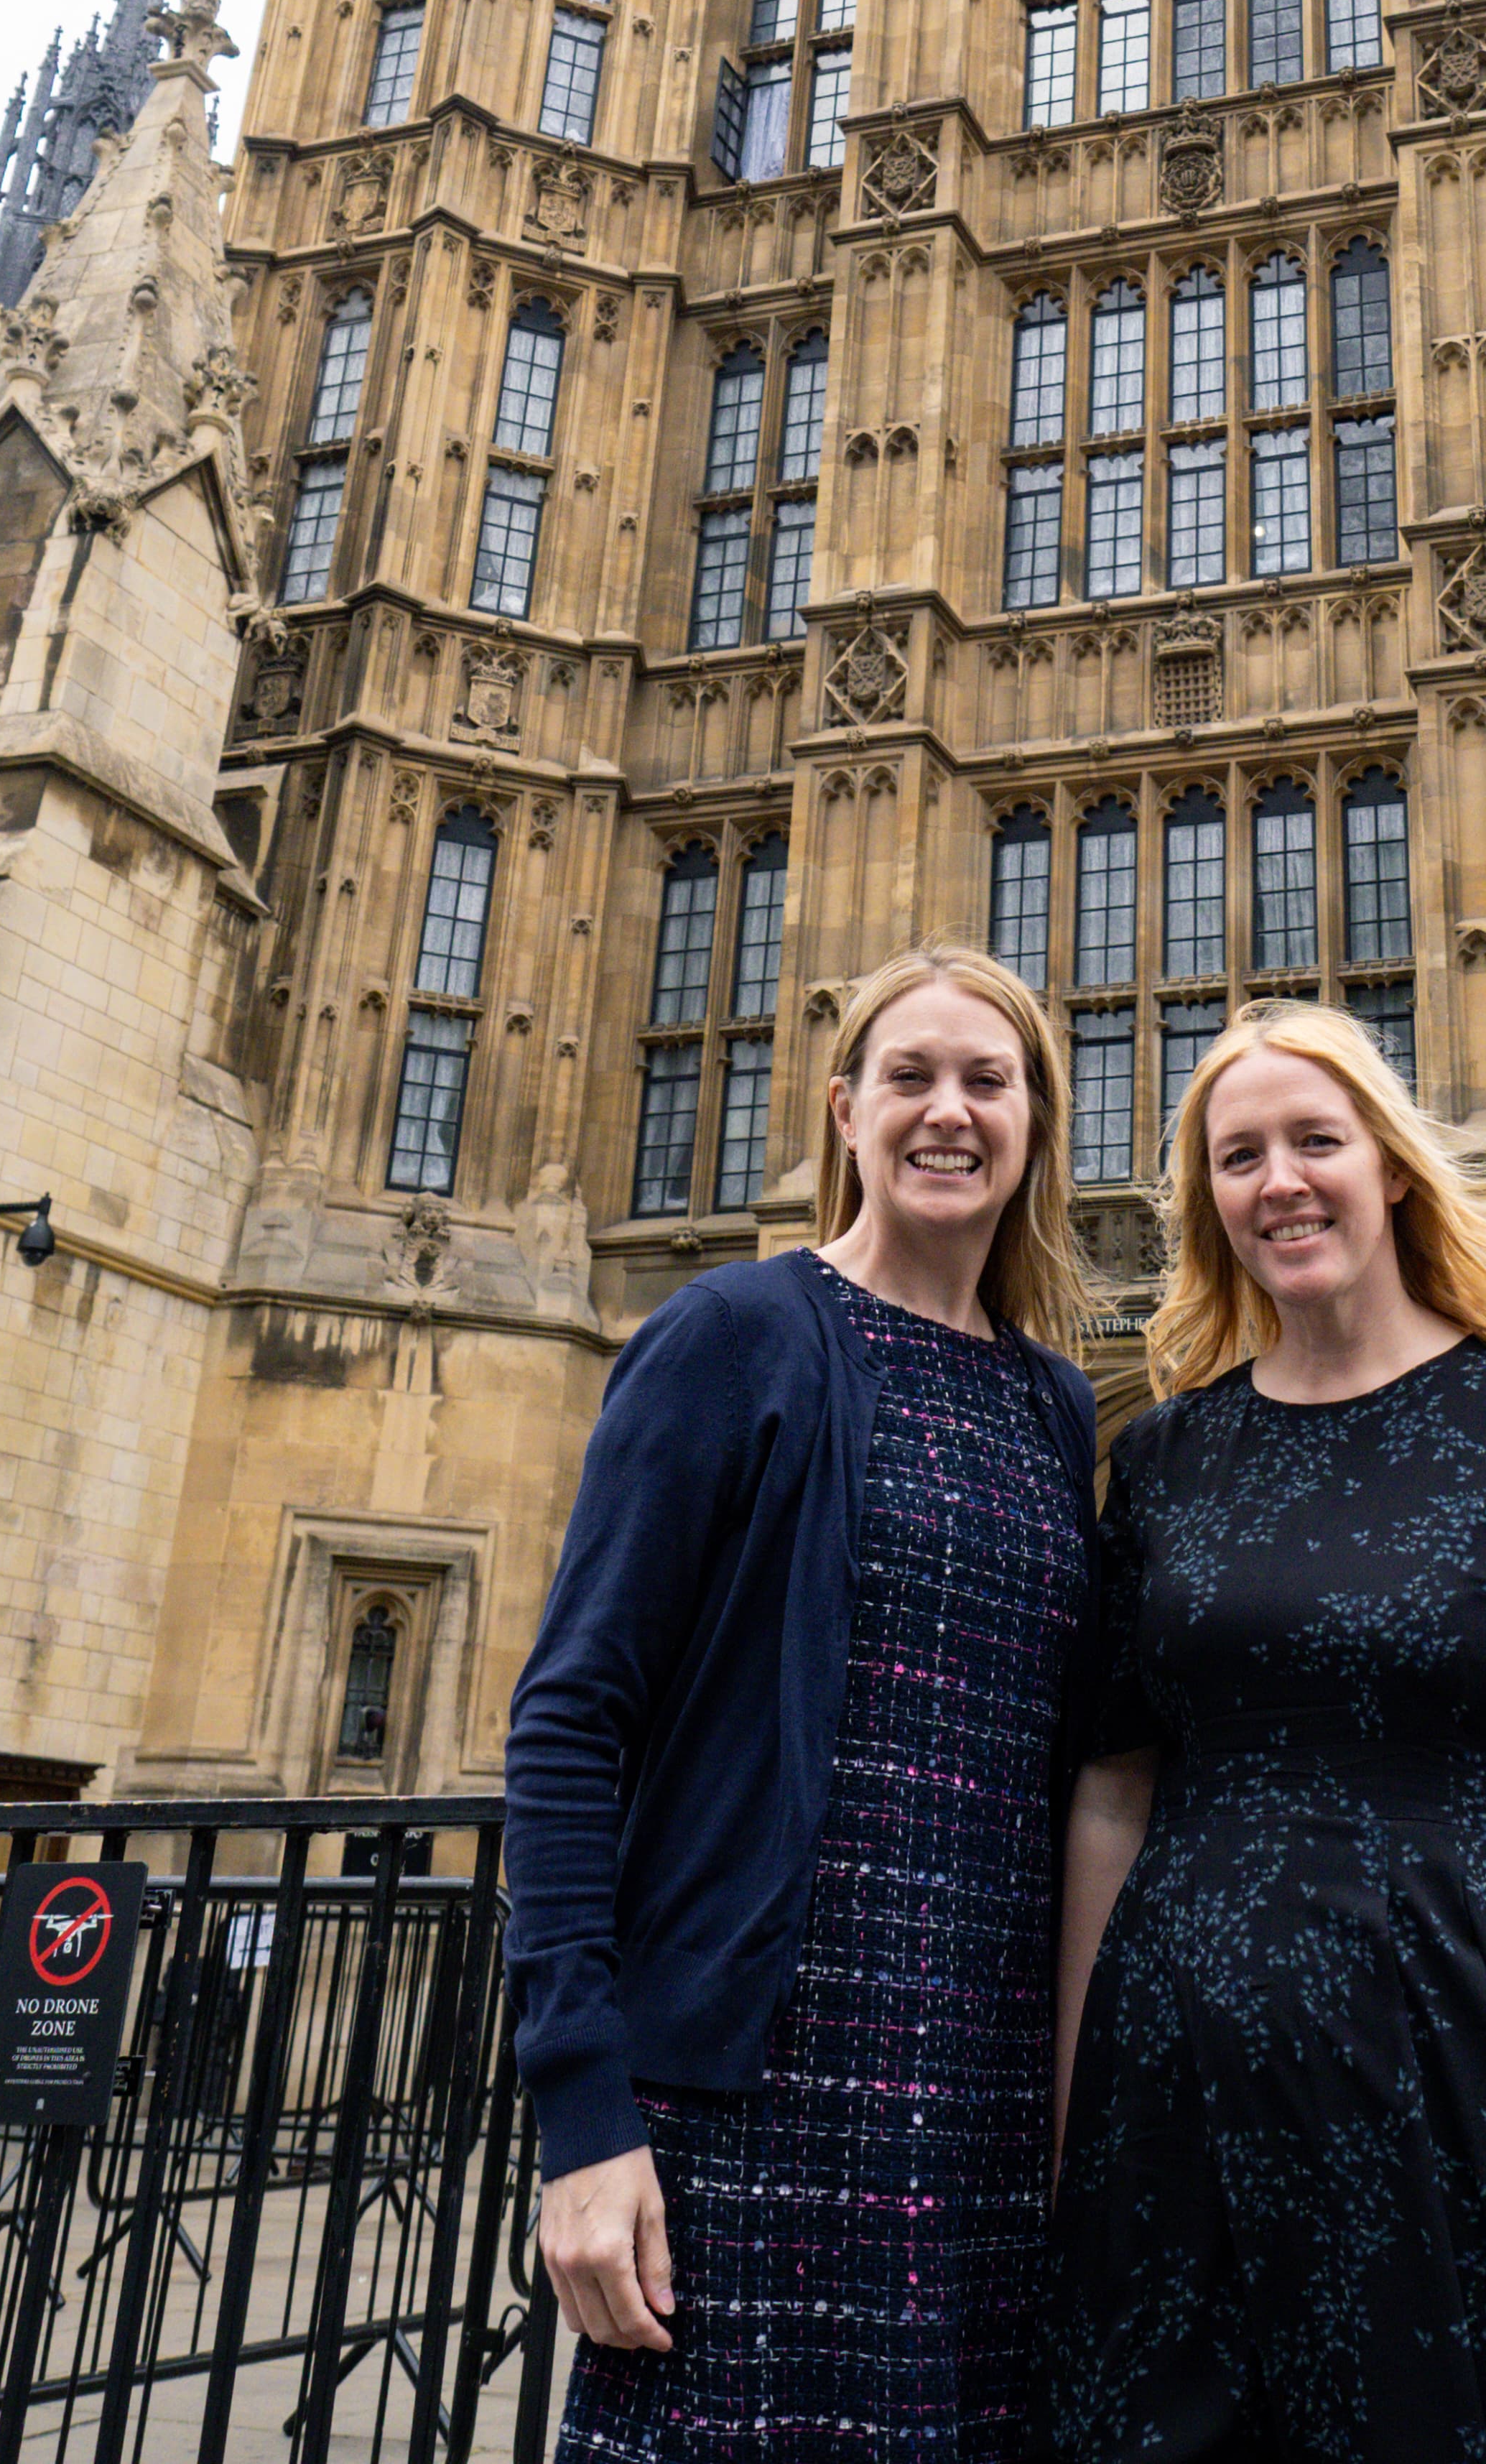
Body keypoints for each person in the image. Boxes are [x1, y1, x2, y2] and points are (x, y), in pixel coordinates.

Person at [1038, 1002, 1486, 2462]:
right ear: (1208, 1204)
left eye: (1314, 1140)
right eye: (1238, 1157)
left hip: (1468, 2077)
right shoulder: (1165, 1456)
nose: (1278, 1181)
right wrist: (1071, 2122)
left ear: (1393, 1167)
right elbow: (1110, 1798)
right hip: (1181, 2104)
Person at [506, 942, 1098, 2461]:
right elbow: (572, 1720)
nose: (948, 1111)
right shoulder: (737, 1334)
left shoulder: (1054, 1401)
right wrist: (584, 2120)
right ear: (845, 1111)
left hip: (977, 2113)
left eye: (988, 1079)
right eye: (911, 1076)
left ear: (1036, 1119)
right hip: (757, 2102)